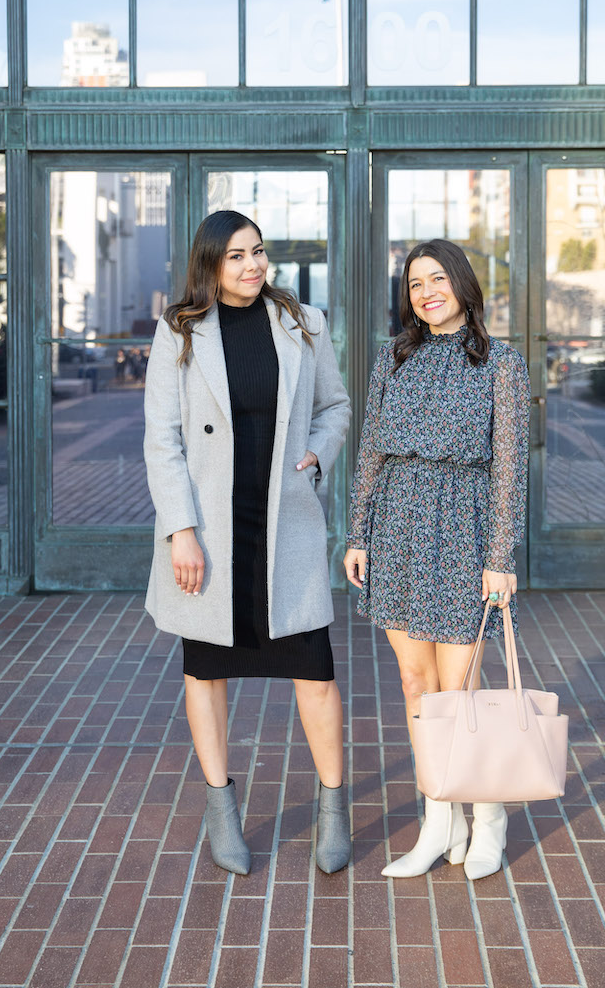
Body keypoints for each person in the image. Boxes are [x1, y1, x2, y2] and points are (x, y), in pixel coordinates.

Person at [144, 210, 352, 876]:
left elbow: (335, 406)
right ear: (211, 264)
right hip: (210, 528)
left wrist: (318, 454)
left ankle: (332, 808)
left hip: (283, 523)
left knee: (314, 673)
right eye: (236, 256)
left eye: (258, 252)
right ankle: (220, 810)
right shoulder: (177, 331)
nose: (253, 266)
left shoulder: (302, 323)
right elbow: (162, 439)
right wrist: (181, 531)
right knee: (206, 672)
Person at [343, 238, 529, 880]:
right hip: (398, 529)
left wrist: (501, 554)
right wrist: (358, 533)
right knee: (417, 687)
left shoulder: (501, 361)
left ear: (463, 285)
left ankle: (488, 820)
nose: (426, 292)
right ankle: (437, 823)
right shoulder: (393, 359)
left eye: (437, 278)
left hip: (464, 530)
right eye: (415, 283)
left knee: (462, 690)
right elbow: (371, 450)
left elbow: (509, 466)